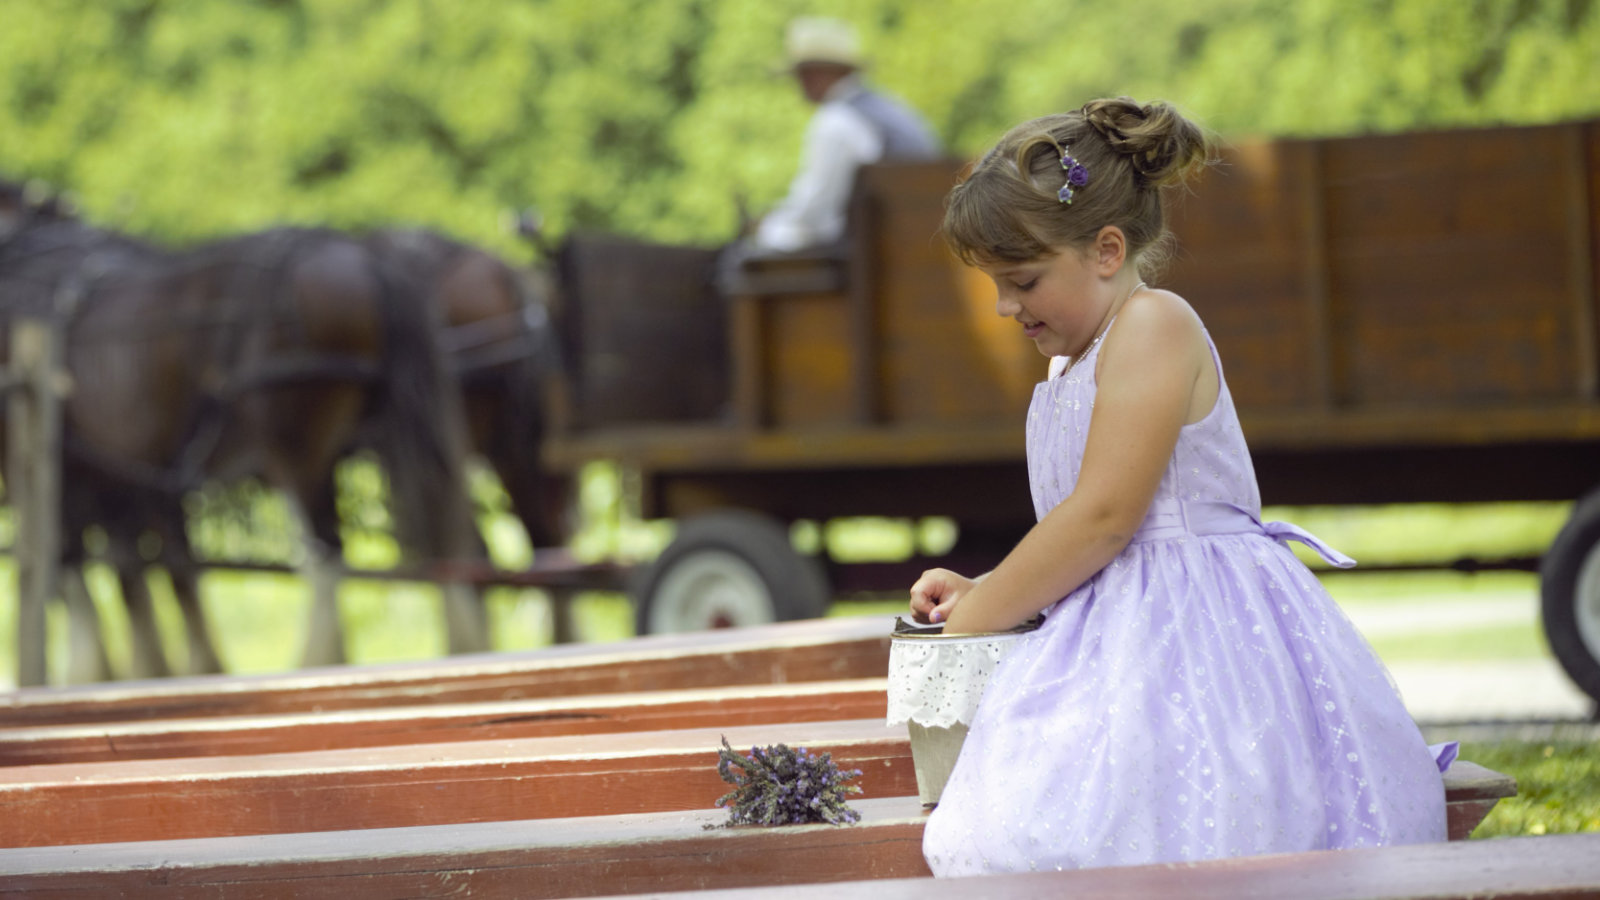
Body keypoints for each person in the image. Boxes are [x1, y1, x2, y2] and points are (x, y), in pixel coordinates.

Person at [907, 97, 1453, 875]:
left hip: (1198, 631)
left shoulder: (1153, 324)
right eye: (995, 284)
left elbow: (1104, 517)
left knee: (1199, 810)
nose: (1004, 307)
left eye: (1022, 280)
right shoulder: (1070, 360)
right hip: (1117, 622)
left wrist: (975, 624)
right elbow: (1080, 524)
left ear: (1106, 249)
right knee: (1067, 815)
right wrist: (987, 586)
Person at [747, 16, 941, 254]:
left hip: (880, 249)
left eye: (803, 73)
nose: (799, 83)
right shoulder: (889, 107)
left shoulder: (836, 121)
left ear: (819, 72)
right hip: (914, 240)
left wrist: (767, 229)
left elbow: (813, 208)